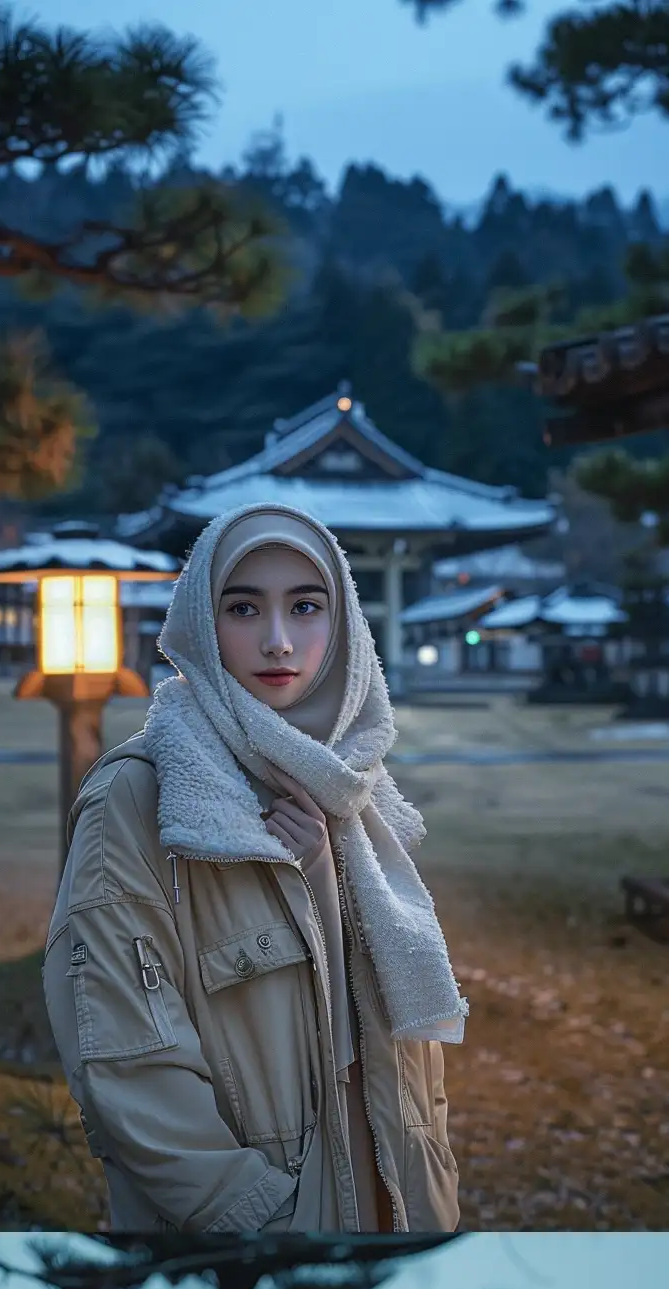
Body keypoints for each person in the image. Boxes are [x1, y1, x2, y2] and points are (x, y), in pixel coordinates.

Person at [42, 505, 464, 1234]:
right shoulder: (141, 798)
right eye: (243, 608)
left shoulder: (354, 793)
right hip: (260, 1231)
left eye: (305, 606)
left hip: (394, 1203)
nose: (277, 640)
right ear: (202, 624)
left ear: (346, 628)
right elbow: (124, 1061)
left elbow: (401, 1051)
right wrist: (259, 1221)